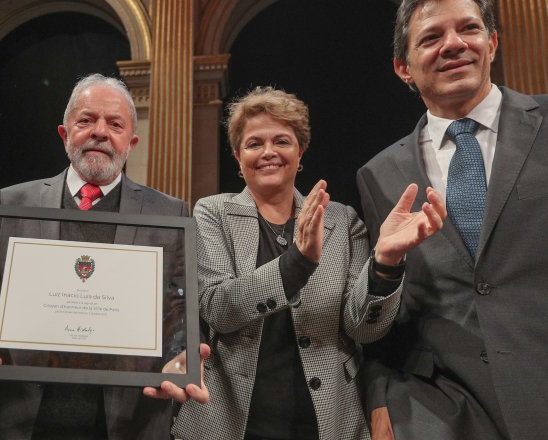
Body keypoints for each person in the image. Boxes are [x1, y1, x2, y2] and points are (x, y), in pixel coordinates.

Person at [0, 73, 208, 439]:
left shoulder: (169, 213)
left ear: (132, 142)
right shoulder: (12, 203)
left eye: (115, 124)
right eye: (86, 120)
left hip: (126, 421)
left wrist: (181, 357)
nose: (100, 132)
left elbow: (177, 310)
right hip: (19, 417)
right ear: (65, 134)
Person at [172, 87, 446, 440]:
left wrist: (386, 261)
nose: (268, 152)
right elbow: (218, 309)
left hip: (327, 420)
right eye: (254, 144)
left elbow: (363, 329)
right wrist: (297, 262)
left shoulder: (342, 221)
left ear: (300, 152)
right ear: (238, 156)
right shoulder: (213, 213)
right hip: (228, 420)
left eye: (282, 141)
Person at [356, 0, 548, 439]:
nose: (453, 44)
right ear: (403, 68)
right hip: (448, 415)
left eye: (469, 29)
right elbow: (387, 323)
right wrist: (380, 397)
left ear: (492, 43)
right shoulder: (378, 175)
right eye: (431, 37)